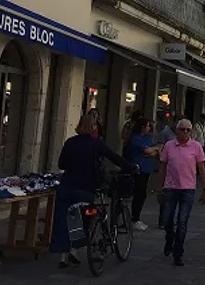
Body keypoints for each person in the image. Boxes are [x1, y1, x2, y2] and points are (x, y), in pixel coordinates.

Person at [52, 112, 134, 268]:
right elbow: (114, 157)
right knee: (83, 219)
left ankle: (63, 255)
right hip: (85, 187)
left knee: (63, 219)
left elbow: (61, 164)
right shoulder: (96, 144)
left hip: (67, 186)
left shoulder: (70, 142)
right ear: (93, 127)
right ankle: (74, 251)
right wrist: (131, 166)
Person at [158, 118, 205, 266]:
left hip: (188, 189)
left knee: (182, 222)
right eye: (182, 129)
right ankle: (169, 238)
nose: (185, 132)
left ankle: (178, 251)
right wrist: (159, 187)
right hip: (170, 188)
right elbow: (162, 167)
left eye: (188, 130)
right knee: (167, 219)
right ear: (177, 131)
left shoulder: (196, 146)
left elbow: (201, 168)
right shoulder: (169, 146)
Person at [124, 118, 160, 232]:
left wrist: (153, 150)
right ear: (142, 127)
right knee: (139, 194)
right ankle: (135, 218)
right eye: (147, 126)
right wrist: (154, 149)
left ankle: (136, 217)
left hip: (147, 169)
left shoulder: (147, 138)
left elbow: (153, 152)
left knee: (142, 194)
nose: (149, 128)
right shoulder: (136, 138)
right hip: (138, 170)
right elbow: (149, 151)